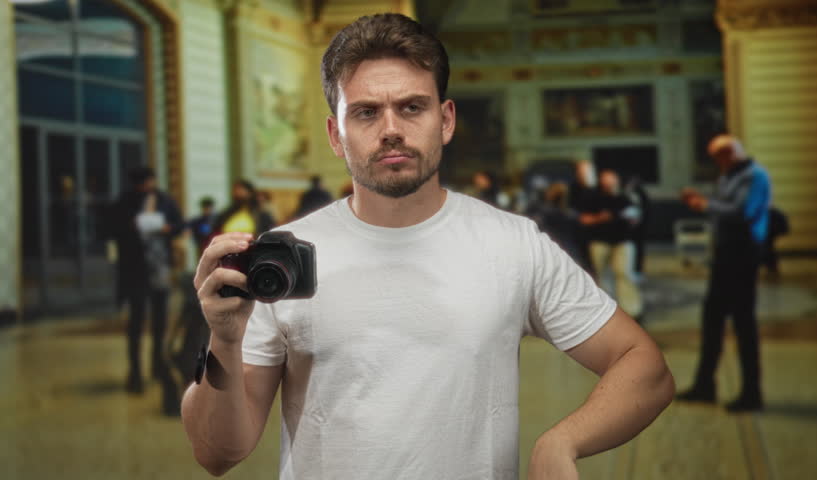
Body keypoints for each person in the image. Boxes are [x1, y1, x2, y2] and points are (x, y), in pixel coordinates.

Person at [181, 13, 673, 480]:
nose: (391, 128)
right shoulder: (287, 258)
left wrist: (562, 441)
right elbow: (218, 453)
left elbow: (644, 365)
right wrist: (223, 339)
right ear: (336, 134)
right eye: (367, 112)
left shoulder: (511, 244)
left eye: (412, 107)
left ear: (446, 119)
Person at [677, 134, 771, 412]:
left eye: (717, 157)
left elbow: (743, 211)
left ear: (729, 154)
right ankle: (705, 384)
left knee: (743, 322)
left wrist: (704, 205)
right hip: (725, 254)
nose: (716, 163)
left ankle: (752, 393)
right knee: (712, 319)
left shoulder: (755, 176)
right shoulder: (729, 176)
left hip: (742, 255)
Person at [108, 167, 183, 395]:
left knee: (160, 319)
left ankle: (158, 365)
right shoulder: (125, 202)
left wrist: (169, 229)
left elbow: (178, 224)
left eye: (150, 182)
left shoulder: (164, 200)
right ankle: (135, 372)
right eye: (143, 183)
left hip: (159, 266)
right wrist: (130, 227)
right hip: (135, 267)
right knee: (136, 320)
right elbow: (112, 229)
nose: (147, 187)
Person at [580, 170, 643, 320]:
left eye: (613, 181)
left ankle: (632, 311)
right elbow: (583, 219)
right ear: (601, 183)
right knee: (601, 276)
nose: (610, 185)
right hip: (600, 241)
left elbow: (636, 217)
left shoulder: (626, 197)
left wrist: (631, 219)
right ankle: (606, 312)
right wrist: (600, 218)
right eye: (607, 182)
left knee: (624, 274)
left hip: (623, 241)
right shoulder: (593, 198)